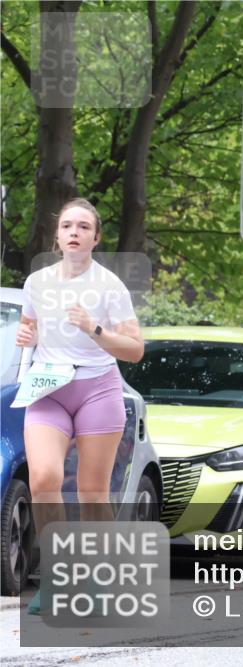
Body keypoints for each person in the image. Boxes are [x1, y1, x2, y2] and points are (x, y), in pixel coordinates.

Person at [14, 198, 144, 614]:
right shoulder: (37, 283)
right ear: (57, 236)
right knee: (44, 479)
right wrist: (27, 338)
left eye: (83, 226)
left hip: (97, 389)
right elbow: (31, 329)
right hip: (49, 388)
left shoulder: (110, 287)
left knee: (92, 493)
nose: (74, 232)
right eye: (67, 225)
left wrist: (94, 328)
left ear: (95, 237)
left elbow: (135, 350)